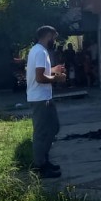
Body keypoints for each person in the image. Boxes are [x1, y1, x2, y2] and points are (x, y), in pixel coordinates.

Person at [26, 25, 66, 179]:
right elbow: (40, 78)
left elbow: (42, 73)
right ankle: (40, 167)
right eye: (54, 37)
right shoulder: (40, 52)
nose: (54, 41)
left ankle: (44, 161)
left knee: (53, 128)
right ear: (47, 35)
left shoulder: (38, 51)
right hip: (40, 99)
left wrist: (54, 69)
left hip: (43, 97)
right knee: (42, 133)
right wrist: (58, 78)